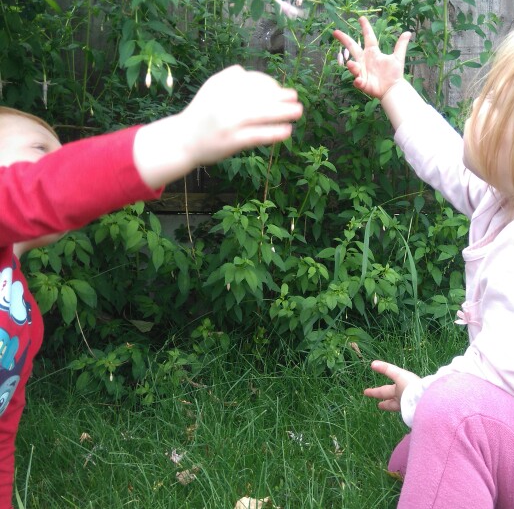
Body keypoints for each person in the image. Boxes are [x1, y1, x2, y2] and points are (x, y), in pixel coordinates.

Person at [0, 64, 303, 508]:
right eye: (41, 149)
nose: (60, 161)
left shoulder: (20, 309)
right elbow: (47, 189)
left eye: (62, 153)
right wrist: (182, 138)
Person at [333, 16, 514, 508]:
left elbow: (493, 385)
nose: (477, 102)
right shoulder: (509, 198)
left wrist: (419, 396)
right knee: (419, 449)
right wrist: (393, 88)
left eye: (494, 101)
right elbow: (445, 156)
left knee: (452, 415)